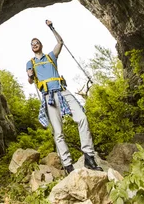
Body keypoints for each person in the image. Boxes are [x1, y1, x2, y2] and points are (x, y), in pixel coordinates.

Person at [26, 20, 103, 174]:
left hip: (62, 91)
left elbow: (60, 42)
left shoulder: (50, 57)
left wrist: (51, 28)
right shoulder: (31, 62)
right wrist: (30, 75)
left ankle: (89, 157)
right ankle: (68, 165)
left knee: (82, 117)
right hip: (48, 97)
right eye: (32, 43)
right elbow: (30, 80)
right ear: (31, 47)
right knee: (58, 132)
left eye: (37, 42)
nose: (34, 44)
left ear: (40, 45)